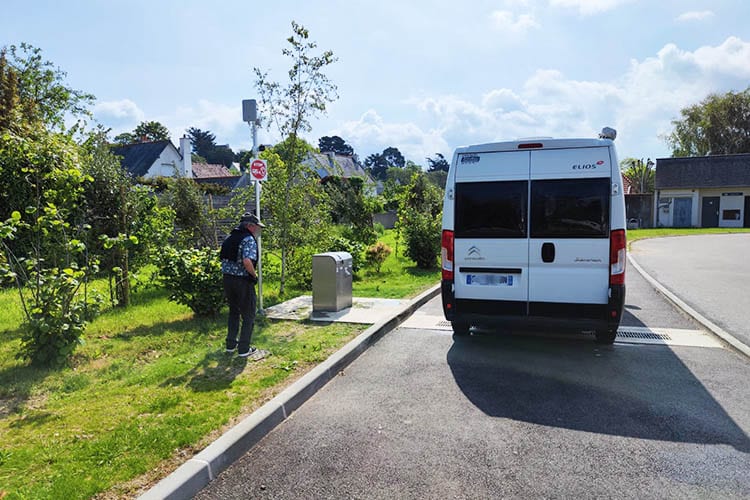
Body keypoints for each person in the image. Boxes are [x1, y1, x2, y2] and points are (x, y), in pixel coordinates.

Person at [220, 212, 265, 357]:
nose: (258, 230)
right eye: (257, 227)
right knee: (248, 314)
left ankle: (230, 345)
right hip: (242, 281)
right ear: (250, 226)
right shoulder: (248, 239)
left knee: (234, 312)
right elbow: (247, 261)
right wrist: (254, 275)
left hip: (228, 280)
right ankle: (244, 349)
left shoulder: (230, 238)